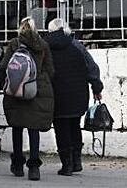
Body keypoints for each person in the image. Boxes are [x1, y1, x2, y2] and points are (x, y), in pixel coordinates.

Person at [44, 18, 104, 176]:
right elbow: (91, 68)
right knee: (74, 126)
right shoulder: (76, 45)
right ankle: (76, 161)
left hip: (56, 95)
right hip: (78, 95)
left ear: (50, 31)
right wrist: (96, 87)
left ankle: (67, 164)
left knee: (61, 128)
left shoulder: (45, 46)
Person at [0, 17, 54, 181]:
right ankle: (34, 168)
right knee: (33, 129)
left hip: (16, 90)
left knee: (17, 127)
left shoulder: (14, 44)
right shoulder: (43, 45)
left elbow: (4, 66)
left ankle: (17, 165)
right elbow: (50, 70)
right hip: (36, 91)